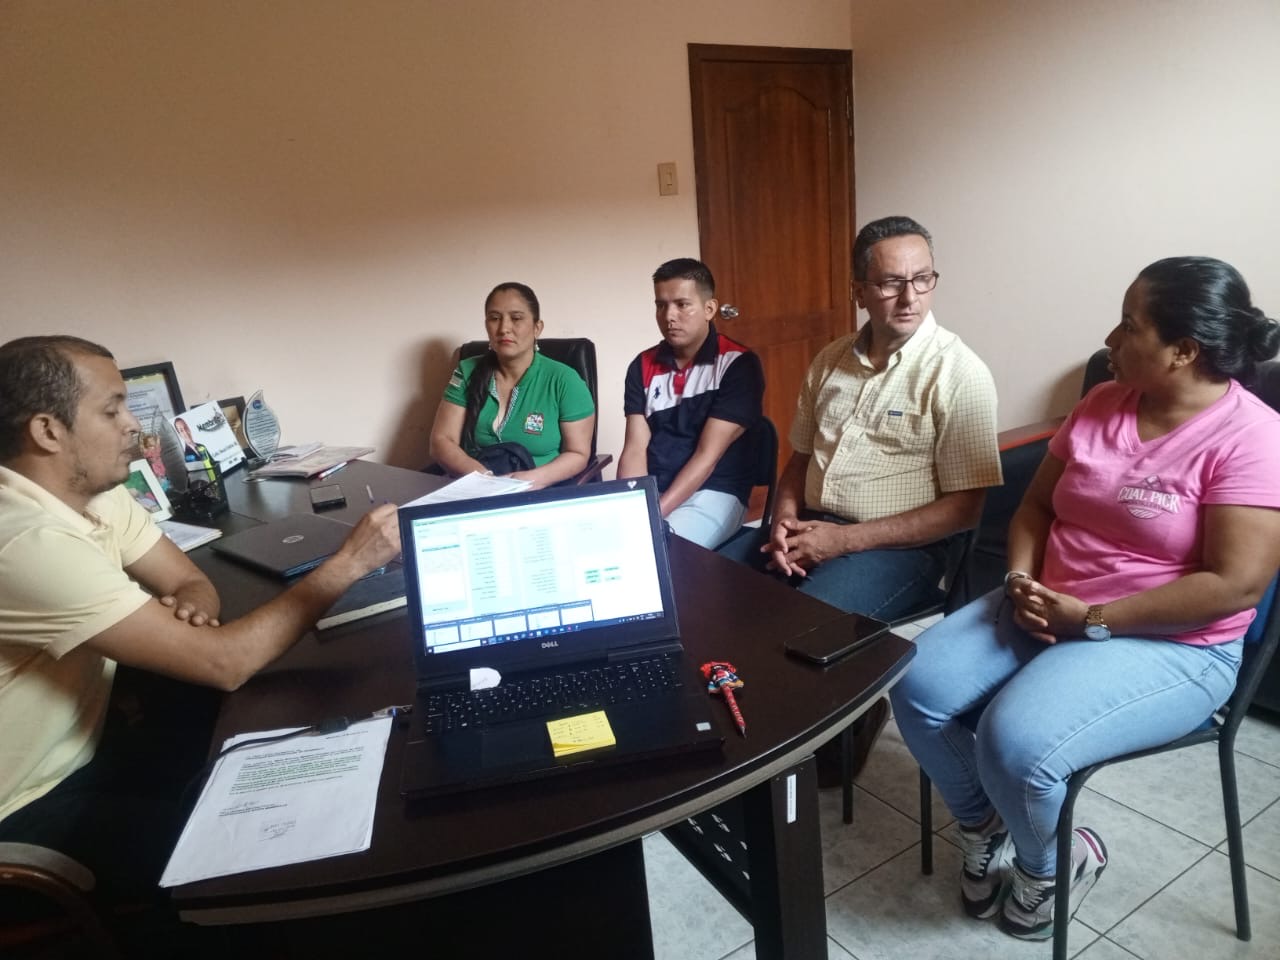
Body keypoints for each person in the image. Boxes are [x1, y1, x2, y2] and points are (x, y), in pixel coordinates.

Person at [889, 257, 1280, 940]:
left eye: (1130, 325)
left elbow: (1235, 585)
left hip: (1173, 641)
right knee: (915, 682)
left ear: (1183, 350)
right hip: (1051, 603)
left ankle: (1052, 866)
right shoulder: (1101, 402)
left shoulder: (1252, 438)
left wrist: (1095, 619)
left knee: (1016, 740)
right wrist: (1020, 581)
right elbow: (1036, 509)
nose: (1110, 338)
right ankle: (986, 823)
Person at [0, 335, 402, 913]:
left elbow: (188, 579)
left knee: (260, 739)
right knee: (250, 856)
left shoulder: (89, 491)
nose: (134, 425)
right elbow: (226, 663)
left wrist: (192, 606)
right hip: (27, 806)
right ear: (47, 431)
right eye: (112, 410)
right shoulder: (26, 541)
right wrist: (351, 563)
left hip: (94, 739)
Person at [717, 215, 1002, 777]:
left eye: (922, 279)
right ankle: (741, 734)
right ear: (859, 291)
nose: (909, 297)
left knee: (799, 630)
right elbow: (800, 458)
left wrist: (842, 542)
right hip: (813, 524)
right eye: (891, 282)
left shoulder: (958, 372)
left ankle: (842, 724)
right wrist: (782, 520)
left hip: (902, 548)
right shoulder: (831, 360)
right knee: (713, 591)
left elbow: (966, 509)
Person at [617, 258, 764, 548]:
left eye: (682, 304)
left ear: (709, 309)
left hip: (715, 491)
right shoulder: (641, 365)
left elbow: (707, 457)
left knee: (656, 551)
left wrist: (654, 513)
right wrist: (633, 504)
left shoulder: (737, 364)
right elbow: (634, 448)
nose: (669, 316)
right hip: (657, 488)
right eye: (661, 305)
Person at [429, 282, 595, 489]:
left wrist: (530, 481)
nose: (503, 328)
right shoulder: (467, 371)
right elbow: (442, 440)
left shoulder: (564, 380)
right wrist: (482, 478)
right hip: (474, 485)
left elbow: (577, 453)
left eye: (516, 318)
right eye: (494, 318)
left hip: (538, 488)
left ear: (537, 328)